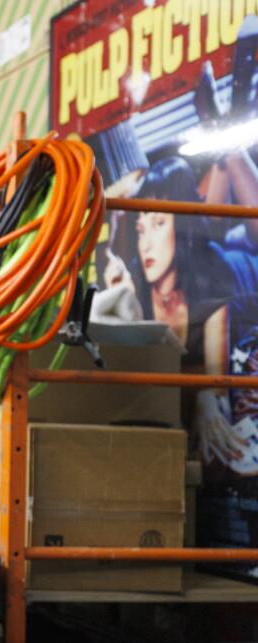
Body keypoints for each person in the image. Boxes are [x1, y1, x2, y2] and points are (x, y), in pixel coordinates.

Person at [103, 156, 258, 472]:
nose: (147, 244)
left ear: (183, 227)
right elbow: (132, 390)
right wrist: (123, 306)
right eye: (141, 229)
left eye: (159, 225)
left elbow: (217, 388)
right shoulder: (133, 285)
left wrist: (206, 397)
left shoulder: (213, 273)